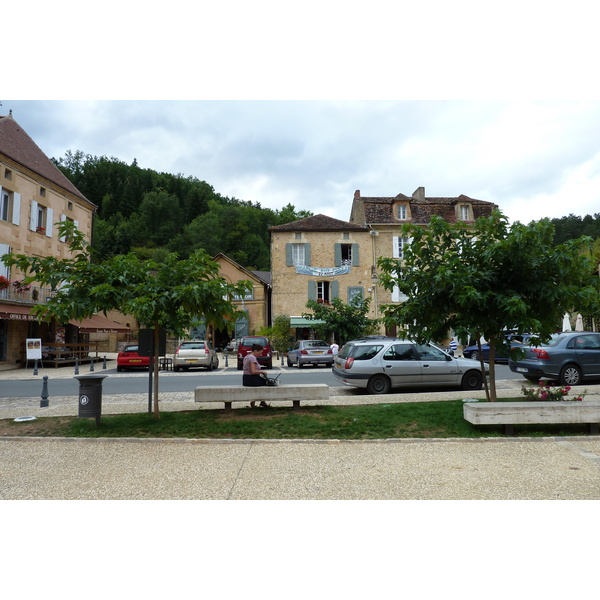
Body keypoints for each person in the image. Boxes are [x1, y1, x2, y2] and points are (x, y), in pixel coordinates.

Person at [242, 343, 269, 407]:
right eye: (260, 353)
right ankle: (262, 401)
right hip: (251, 379)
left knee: (262, 382)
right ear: (255, 351)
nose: (261, 354)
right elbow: (253, 371)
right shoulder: (252, 358)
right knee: (266, 383)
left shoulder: (247, 357)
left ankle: (256, 401)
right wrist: (262, 371)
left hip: (245, 379)